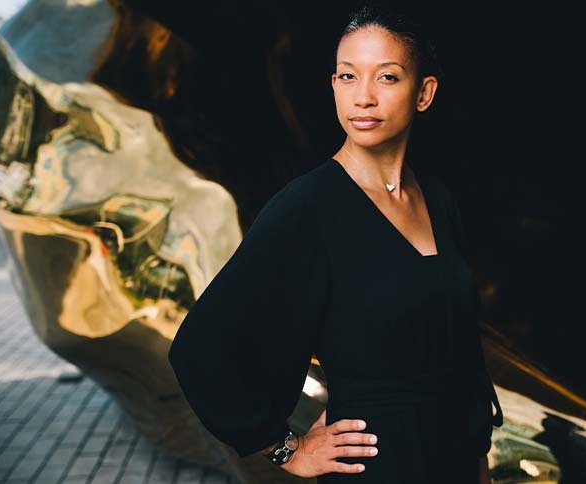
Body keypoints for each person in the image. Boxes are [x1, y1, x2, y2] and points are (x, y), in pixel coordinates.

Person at [167, 3, 503, 482]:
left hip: (459, 465)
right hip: (378, 469)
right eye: (348, 77)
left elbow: (459, 352)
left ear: (423, 92)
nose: (363, 98)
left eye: (386, 78)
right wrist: (284, 448)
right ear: (333, 86)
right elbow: (199, 349)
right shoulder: (307, 208)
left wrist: (478, 462)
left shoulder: (439, 199)